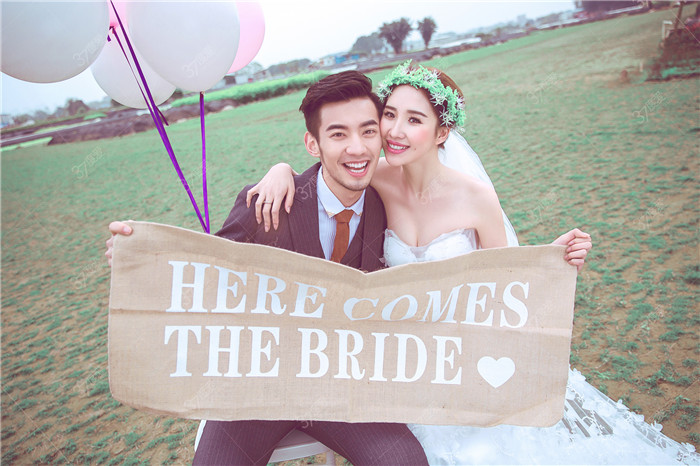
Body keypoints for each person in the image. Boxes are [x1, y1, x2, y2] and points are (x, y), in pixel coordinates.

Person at [246, 61, 700, 465]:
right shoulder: (377, 178)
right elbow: (326, 176)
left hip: (465, 354)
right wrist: (281, 169)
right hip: (406, 358)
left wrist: (551, 259)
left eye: (414, 120)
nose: (395, 131)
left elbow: (503, 281)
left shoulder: (476, 197)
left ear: (442, 133)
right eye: (390, 115)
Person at [105, 71, 429, 465]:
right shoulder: (267, 204)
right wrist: (143, 258)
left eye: (367, 131)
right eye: (338, 134)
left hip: (345, 386)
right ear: (313, 143)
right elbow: (207, 268)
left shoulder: (388, 204)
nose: (357, 148)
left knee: (404, 461)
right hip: (259, 386)